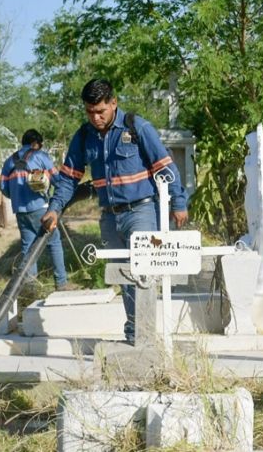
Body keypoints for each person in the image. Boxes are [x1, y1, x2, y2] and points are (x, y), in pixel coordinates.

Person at [41, 79, 188, 343]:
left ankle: (143, 335)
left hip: (143, 211)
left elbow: (165, 168)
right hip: (110, 216)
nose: (95, 118)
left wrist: (178, 203)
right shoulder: (84, 136)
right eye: (90, 112)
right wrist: (54, 209)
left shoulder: (137, 127)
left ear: (113, 103)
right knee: (124, 276)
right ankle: (136, 333)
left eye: (101, 111)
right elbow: (67, 179)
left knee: (143, 273)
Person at [0, 129, 73, 291]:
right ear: (36, 144)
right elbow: (57, 181)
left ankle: (31, 287)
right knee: (54, 242)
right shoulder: (41, 157)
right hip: (41, 208)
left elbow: (3, 188)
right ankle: (61, 283)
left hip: (20, 210)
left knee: (28, 247)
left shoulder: (8, 161)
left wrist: (18, 197)